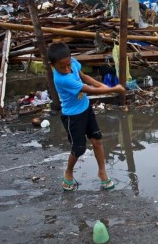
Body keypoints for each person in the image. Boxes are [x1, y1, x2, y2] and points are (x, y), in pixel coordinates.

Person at [47, 42, 125, 191]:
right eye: (62, 67)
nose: (67, 68)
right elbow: (88, 90)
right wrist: (113, 89)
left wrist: (104, 86)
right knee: (79, 149)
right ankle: (68, 172)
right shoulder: (61, 79)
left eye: (68, 64)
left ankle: (102, 172)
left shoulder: (72, 63)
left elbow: (84, 77)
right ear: (52, 65)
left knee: (97, 139)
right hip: (72, 117)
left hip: (85, 109)